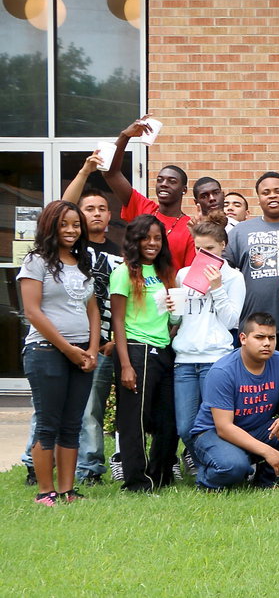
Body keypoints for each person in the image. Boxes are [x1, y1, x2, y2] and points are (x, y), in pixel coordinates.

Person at [19, 201, 100, 505]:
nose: (71, 230)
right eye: (64, 224)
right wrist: (69, 350)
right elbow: (32, 311)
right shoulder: (35, 261)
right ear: (50, 226)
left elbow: (92, 309)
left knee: (72, 423)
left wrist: (91, 350)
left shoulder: (81, 263)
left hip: (81, 352)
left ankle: (67, 491)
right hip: (46, 351)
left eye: (76, 224)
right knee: (48, 422)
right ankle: (45, 492)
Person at [59, 157, 125, 485]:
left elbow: (122, 301)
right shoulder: (72, 246)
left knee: (92, 410)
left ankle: (90, 469)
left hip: (106, 345)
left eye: (102, 207)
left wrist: (115, 341)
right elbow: (62, 207)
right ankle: (35, 463)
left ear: (110, 214)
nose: (96, 212)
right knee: (58, 407)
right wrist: (85, 171)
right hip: (67, 339)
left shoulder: (121, 253)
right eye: (89, 208)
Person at [190, 313, 279, 491]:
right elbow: (224, 428)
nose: (267, 343)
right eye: (259, 337)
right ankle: (207, 481)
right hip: (213, 433)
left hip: (255, 430)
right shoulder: (223, 371)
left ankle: (266, 481)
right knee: (233, 466)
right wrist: (267, 451)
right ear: (243, 338)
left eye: (271, 337)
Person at [110, 214, 178, 491]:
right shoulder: (123, 273)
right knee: (134, 421)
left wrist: (176, 314)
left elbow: (168, 320)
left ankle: (160, 475)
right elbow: (117, 322)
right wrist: (126, 365)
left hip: (163, 350)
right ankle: (136, 482)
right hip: (137, 350)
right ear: (134, 240)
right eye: (146, 237)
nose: (152, 243)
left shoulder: (163, 274)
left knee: (168, 419)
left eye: (157, 238)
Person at [168, 221, 246, 460]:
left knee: (215, 422)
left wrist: (217, 288)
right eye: (198, 248)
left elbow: (232, 321)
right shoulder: (183, 274)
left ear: (223, 245)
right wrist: (171, 308)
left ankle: (212, 466)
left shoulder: (234, 277)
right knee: (185, 426)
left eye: (210, 248)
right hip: (185, 358)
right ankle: (205, 461)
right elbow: (178, 318)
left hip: (216, 358)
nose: (203, 255)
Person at [101, 115, 196, 271]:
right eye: (160, 180)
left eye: (172, 181)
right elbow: (110, 173)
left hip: (170, 294)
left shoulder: (190, 227)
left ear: (184, 190)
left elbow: (187, 275)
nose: (164, 184)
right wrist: (125, 136)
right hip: (136, 291)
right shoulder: (143, 208)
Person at [224, 172, 279, 352]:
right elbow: (223, 271)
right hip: (253, 325)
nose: (272, 195)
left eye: (278, 191)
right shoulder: (240, 231)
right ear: (259, 198)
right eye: (266, 192)